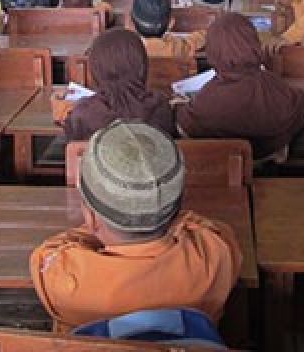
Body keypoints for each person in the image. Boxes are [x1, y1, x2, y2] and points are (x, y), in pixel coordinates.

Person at [29, 120, 241, 329]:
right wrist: (152, 207)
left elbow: (50, 249)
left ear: (92, 218)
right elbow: (211, 229)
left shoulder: (62, 274)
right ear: (175, 208)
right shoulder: (214, 257)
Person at [175, 13, 304, 161]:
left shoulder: (205, 98)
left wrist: (179, 106)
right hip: (269, 173)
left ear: (212, 51)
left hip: (221, 176)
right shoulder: (274, 87)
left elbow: (184, 129)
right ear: (254, 44)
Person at [53, 28, 174, 142]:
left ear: (96, 69)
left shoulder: (84, 113)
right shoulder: (160, 107)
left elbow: (70, 131)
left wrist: (60, 107)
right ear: (143, 66)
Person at [130, 0, 205, 60]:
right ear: (171, 23)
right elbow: (197, 40)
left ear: (132, 23)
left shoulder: (130, 51)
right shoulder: (177, 48)